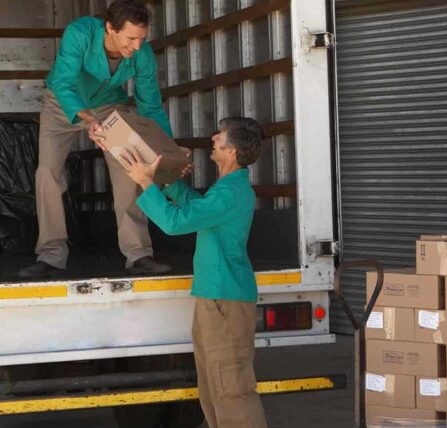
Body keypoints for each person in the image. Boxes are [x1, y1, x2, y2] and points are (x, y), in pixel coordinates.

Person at [118, 117, 267, 428]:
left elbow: (176, 223)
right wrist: (166, 178)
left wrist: (146, 182)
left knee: (232, 389)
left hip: (225, 300)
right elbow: (195, 207)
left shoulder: (230, 193)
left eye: (221, 136)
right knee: (213, 388)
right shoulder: (225, 189)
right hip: (214, 298)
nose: (213, 137)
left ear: (233, 151)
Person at [19, 0, 172, 278]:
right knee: (48, 174)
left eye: (142, 38)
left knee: (129, 171)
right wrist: (89, 120)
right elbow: (63, 83)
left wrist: (167, 148)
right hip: (62, 104)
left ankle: (138, 253)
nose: (137, 46)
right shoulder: (79, 33)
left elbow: (150, 106)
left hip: (109, 106)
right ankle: (51, 255)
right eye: (131, 38)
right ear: (110, 28)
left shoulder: (142, 53)